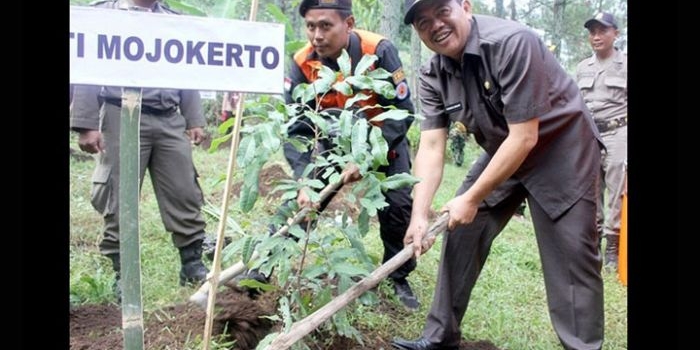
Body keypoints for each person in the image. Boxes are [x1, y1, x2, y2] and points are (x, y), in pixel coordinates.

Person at [391, 1, 605, 349]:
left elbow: (526, 137)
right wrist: (419, 215)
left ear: (465, 6)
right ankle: (440, 337)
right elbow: (431, 145)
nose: (435, 25)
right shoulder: (433, 73)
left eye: (442, 11)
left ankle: (581, 346)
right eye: (422, 21)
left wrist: (472, 198)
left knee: (571, 256)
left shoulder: (511, 42)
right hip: (503, 149)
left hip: (562, 151)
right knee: (459, 232)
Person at [259, 0, 419, 310]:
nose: (316, 35)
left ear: (348, 24)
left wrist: (367, 156)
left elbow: (402, 112)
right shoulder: (302, 62)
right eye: (310, 26)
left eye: (325, 25)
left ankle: (397, 276)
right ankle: (262, 267)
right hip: (332, 144)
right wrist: (304, 180)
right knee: (300, 204)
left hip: (381, 140)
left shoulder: (378, 50)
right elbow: (296, 129)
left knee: (398, 206)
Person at [70, 0, 211, 300]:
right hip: (120, 112)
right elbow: (86, 65)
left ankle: (192, 263)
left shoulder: (173, 21)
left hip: (169, 115)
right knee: (118, 194)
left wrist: (194, 118)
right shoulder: (102, 15)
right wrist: (85, 123)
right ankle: (123, 275)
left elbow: (188, 69)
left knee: (184, 189)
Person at [575, 12, 627, 270]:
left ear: (615, 33)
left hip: (619, 133)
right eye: (592, 31)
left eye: (602, 31)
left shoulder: (625, 64)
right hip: (590, 135)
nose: (596, 36)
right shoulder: (583, 67)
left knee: (618, 191)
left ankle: (614, 249)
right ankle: (592, 245)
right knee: (590, 190)